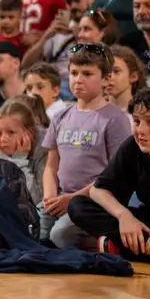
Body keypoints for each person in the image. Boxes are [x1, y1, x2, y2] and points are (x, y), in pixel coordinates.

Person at [70, 87, 150, 267]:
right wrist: (124, 216)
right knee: (77, 205)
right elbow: (98, 190)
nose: (141, 130)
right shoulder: (132, 146)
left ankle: (128, 249)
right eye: (136, 121)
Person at [41, 43, 132, 247]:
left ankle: (106, 244)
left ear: (106, 79)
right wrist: (50, 197)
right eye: (74, 73)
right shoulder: (60, 117)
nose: (78, 80)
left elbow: (115, 174)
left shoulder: (115, 120)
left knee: (61, 236)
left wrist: (72, 199)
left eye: (87, 74)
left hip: (92, 202)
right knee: (32, 231)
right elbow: (51, 166)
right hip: (60, 198)